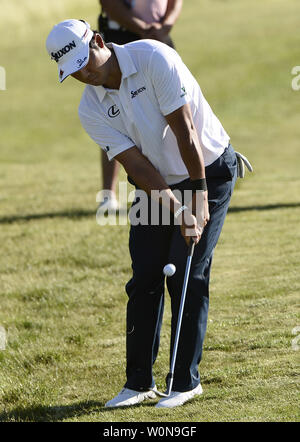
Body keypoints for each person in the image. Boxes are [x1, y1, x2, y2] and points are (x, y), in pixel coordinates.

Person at [46, 19, 252, 408]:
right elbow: (137, 167)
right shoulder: (90, 109)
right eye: (73, 71)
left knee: (186, 270)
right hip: (155, 183)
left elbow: (185, 131)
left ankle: (185, 381)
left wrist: (198, 197)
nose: (84, 73)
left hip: (205, 168)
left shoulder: (154, 58)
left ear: (100, 41)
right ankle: (139, 382)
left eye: (85, 61)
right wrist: (176, 210)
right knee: (144, 277)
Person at [97, 0, 183, 212]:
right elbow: (109, 4)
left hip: (158, 34)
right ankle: (109, 194)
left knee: (172, 107)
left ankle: (180, 181)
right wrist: (143, 29)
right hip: (121, 36)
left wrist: (165, 26)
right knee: (114, 116)